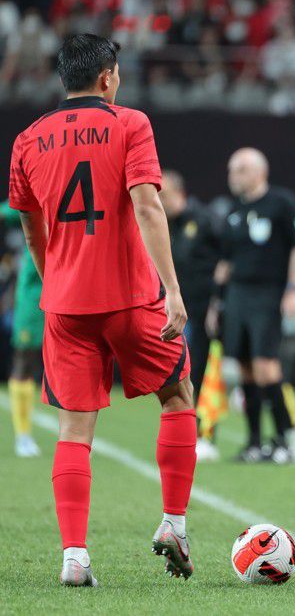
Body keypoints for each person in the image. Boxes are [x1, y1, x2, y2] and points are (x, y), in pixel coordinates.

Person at [8, 33, 195, 586]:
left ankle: (74, 557)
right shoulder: (130, 123)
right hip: (131, 296)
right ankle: (174, 523)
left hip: (66, 305)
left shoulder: (27, 139)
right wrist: (173, 289)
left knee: (73, 430)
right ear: (108, 76)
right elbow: (148, 206)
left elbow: (30, 227)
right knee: (177, 394)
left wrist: (55, 280)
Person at [207, 147, 295, 463]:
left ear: (259, 172)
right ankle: (254, 442)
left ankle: (283, 439)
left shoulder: (282, 203)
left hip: (268, 293)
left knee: (266, 365)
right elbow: (225, 263)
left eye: (240, 169)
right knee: (244, 368)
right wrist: (216, 302)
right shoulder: (233, 211)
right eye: (231, 169)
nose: (233, 176)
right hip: (237, 296)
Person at [159, 169, 222, 461]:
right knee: (182, 373)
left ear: (179, 193)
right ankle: (189, 433)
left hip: (205, 311)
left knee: (204, 372)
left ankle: (207, 433)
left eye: (164, 195)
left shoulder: (205, 219)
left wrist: (218, 302)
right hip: (180, 313)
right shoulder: (165, 225)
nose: (160, 201)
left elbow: (226, 257)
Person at [1, 200, 43, 457]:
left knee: (76, 362)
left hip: (70, 287)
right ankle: (23, 435)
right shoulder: (31, 197)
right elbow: (6, 211)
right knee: (24, 360)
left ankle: (77, 434)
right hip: (33, 294)